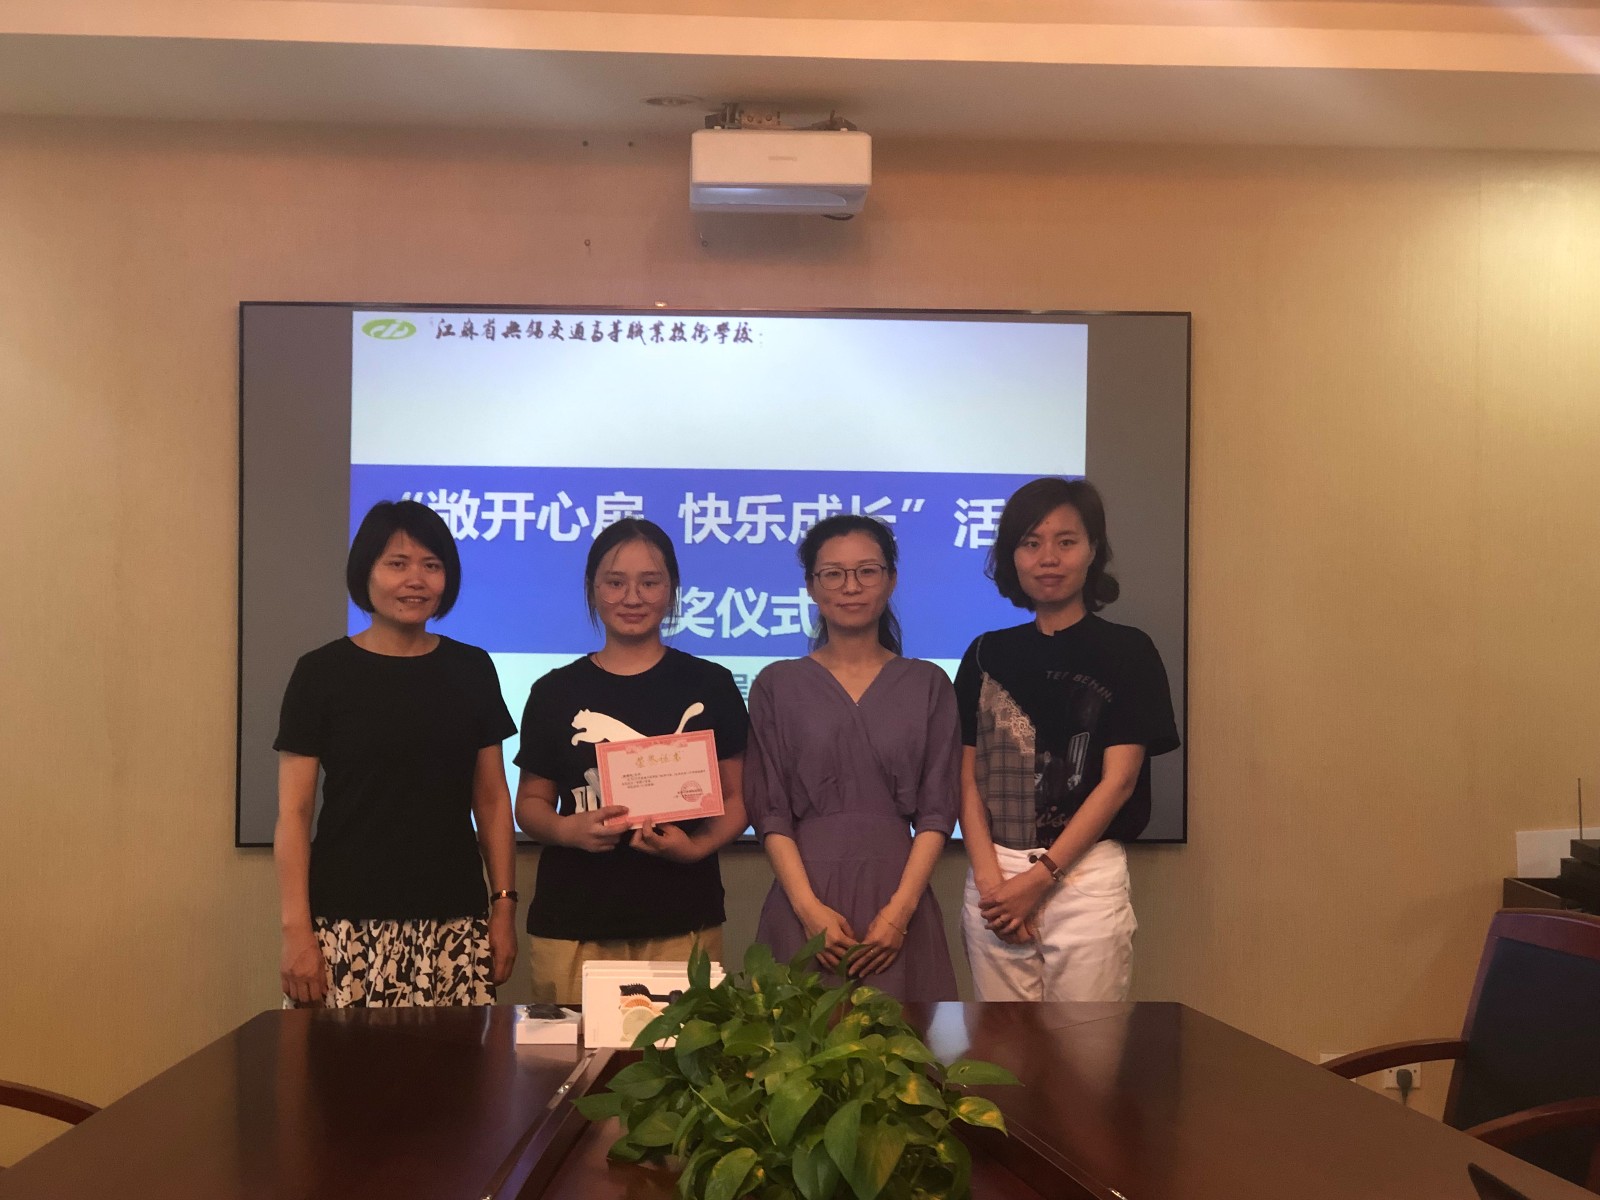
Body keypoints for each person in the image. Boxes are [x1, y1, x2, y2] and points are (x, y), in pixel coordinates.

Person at [274, 499, 520, 1007]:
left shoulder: (472, 669)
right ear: (365, 571)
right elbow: (294, 813)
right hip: (344, 923)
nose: (416, 580)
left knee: (458, 1063)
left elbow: (493, 800)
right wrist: (296, 930)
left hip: (454, 921)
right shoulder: (320, 673)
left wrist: (503, 908)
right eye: (397, 564)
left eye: (432, 565)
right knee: (338, 1062)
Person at [957, 477, 1179, 1002]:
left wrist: (1039, 880)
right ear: (1012, 557)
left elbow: (1119, 783)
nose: (1048, 558)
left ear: (1092, 550)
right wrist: (992, 886)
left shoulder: (1129, 651)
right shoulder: (986, 653)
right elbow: (963, 778)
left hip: (1084, 874)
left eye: (1066, 541)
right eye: (1031, 543)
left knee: (1085, 1044)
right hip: (995, 873)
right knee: (1002, 1047)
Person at [513, 518, 748, 1004]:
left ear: (672, 588)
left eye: (650, 582)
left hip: (683, 920)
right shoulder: (555, 691)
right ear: (592, 589)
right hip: (573, 924)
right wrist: (567, 830)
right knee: (574, 1054)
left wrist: (696, 848)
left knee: (683, 1051)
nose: (632, 597)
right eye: (615, 582)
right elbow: (531, 803)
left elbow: (740, 797)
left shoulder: (710, 684)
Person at [745, 514, 959, 1001]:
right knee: (796, 1040)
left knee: (906, 1041)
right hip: (804, 899)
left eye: (867, 571)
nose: (851, 586)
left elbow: (937, 811)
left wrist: (899, 915)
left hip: (898, 899)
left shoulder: (929, 684)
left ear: (891, 580)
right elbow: (770, 813)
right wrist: (808, 912)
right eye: (833, 574)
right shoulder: (776, 684)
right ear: (811, 586)